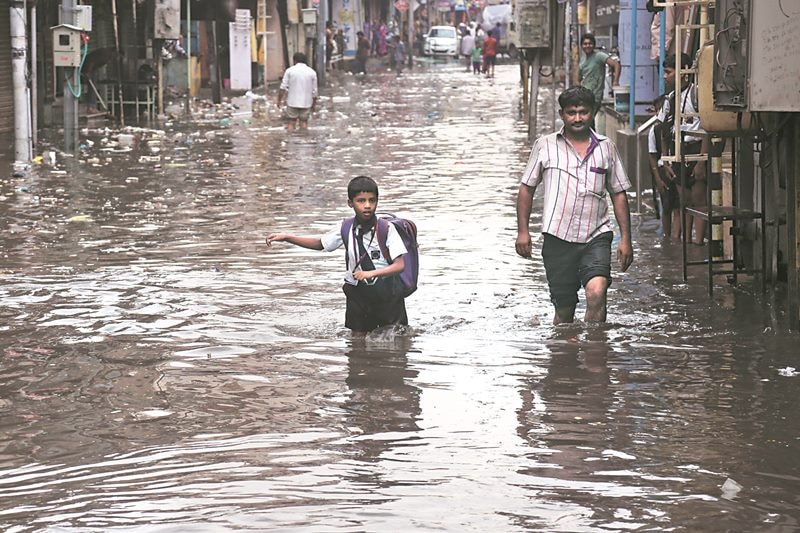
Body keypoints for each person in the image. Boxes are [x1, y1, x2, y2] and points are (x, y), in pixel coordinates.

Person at [515, 86, 633, 324]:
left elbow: (618, 193)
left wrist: (625, 239)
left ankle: (595, 355)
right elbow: (527, 188)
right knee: (564, 311)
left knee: (597, 292)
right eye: (571, 113)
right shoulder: (545, 145)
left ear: (592, 113)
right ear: (562, 115)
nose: (577, 118)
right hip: (557, 237)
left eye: (583, 112)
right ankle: (564, 357)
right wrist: (523, 232)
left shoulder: (606, 147)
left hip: (596, 235)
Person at [266, 176, 409, 336]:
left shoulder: (387, 229)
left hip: (388, 294)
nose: (367, 205)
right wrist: (287, 237)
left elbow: (399, 265)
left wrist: (371, 273)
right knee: (357, 342)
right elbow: (320, 244)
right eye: (361, 201)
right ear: (350, 203)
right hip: (357, 293)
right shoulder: (345, 227)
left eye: (372, 200)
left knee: (396, 341)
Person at [657, 53, 707, 245]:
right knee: (684, 200)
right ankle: (685, 244)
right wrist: (666, 158)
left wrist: (702, 160)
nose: (665, 77)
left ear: (683, 71)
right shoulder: (671, 98)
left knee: (698, 200)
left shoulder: (697, 94)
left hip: (695, 149)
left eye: (668, 72)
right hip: (678, 150)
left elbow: (706, 128)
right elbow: (662, 129)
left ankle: (698, 243)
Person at [648, 95, 681, 240]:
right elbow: (652, 156)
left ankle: (675, 238)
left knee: (679, 206)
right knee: (667, 206)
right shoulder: (655, 131)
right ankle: (668, 238)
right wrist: (658, 179)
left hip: (677, 167)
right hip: (663, 171)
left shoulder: (677, 128)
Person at [579, 33, 620, 114]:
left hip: (595, 96)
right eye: (585, 44)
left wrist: (615, 81)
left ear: (594, 45)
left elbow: (616, 64)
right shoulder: (582, 60)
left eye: (590, 44)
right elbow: (579, 78)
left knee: (588, 118)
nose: (587, 46)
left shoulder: (599, 56)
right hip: (583, 96)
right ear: (582, 46)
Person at [277, 52, 318, 131]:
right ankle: (303, 140)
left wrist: (279, 100)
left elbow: (283, 87)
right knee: (304, 122)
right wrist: (313, 105)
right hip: (306, 103)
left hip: (292, 102)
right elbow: (315, 91)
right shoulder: (312, 72)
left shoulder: (289, 71)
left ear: (294, 61)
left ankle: (291, 141)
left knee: (291, 122)